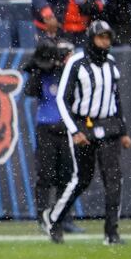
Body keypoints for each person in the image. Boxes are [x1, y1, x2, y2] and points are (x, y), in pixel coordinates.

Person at [41, 20, 131, 245]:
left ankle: (111, 233)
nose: (104, 42)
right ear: (91, 38)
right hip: (84, 127)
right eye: (100, 37)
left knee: (114, 180)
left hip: (108, 127)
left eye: (107, 37)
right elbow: (63, 99)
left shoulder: (111, 63)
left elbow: (115, 98)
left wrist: (123, 130)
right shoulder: (76, 62)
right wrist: (74, 130)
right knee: (82, 179)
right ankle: (53, 218)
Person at [22, 39, 86, 233]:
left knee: (67, 177)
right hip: (46, 128)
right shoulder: (43, 71)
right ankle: (43, 217)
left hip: (67, 129)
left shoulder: (72, 75)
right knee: (45, 175)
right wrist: (38, 66)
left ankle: (64, 217)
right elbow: (30, 91)